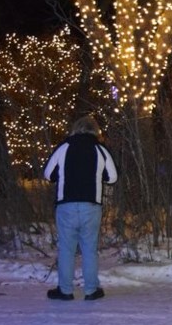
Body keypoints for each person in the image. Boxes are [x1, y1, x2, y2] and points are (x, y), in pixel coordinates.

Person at [43, 114, 118, 301]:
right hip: (91, 206)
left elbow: (48, 174)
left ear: (75, 129)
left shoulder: (64, 147)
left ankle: (65, 290)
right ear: (96, 131)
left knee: (67, 248)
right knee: (89, 248)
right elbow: (113, 177)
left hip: (66, 205)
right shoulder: (100, 149)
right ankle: (91, 290)